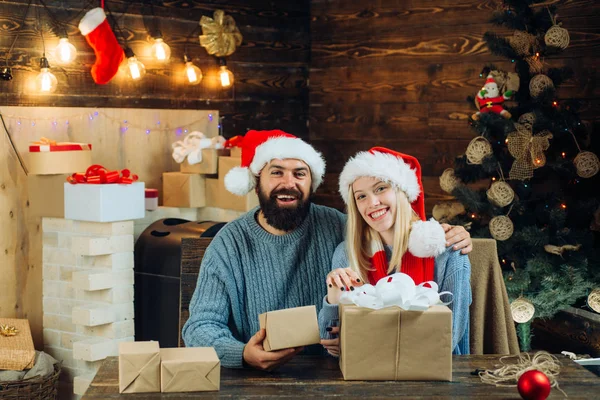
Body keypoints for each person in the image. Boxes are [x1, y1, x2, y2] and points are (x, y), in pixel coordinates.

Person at [182, 130, 473, 371]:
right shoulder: (230, 243)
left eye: (299, 173)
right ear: (257, 180)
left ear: (312, 183)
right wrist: (242, 354)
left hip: (335, 373)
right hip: (260, 378)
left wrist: (451, 235)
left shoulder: (338, 227)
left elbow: (388, 233)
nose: (289, 183)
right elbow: (199, 327)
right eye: (276, 172)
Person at [318, 147, 472, 356]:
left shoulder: (446, 249)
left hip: (435, 375)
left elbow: (450, 335)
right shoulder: (347, 254)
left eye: (381, 188)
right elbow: (331, 343)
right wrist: (334, 298)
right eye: (361, 196)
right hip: (364, 376)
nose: (372, 203)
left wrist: (363, 338)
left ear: (403, 191)